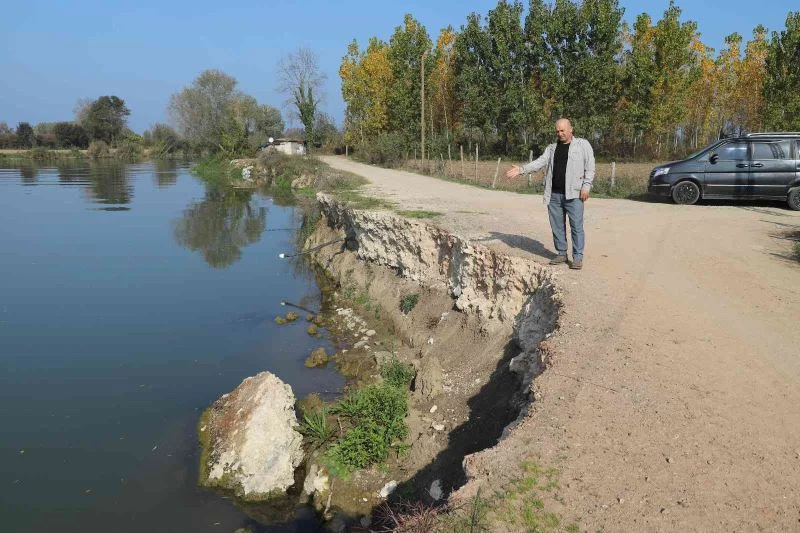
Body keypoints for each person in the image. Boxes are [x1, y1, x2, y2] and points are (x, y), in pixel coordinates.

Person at [505, 118, 595, 270]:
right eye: (557, 131)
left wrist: (586, 187)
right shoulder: (552, 148)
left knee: (576, 227)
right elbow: (539, 163)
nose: (560, 134)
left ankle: (578, 257)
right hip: (554, 195)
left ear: (571, 129)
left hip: (574, 194)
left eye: (563, 130)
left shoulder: (583, 145)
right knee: (557, 226)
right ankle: (561, 253)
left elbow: (590, 167)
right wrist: (521, 170)